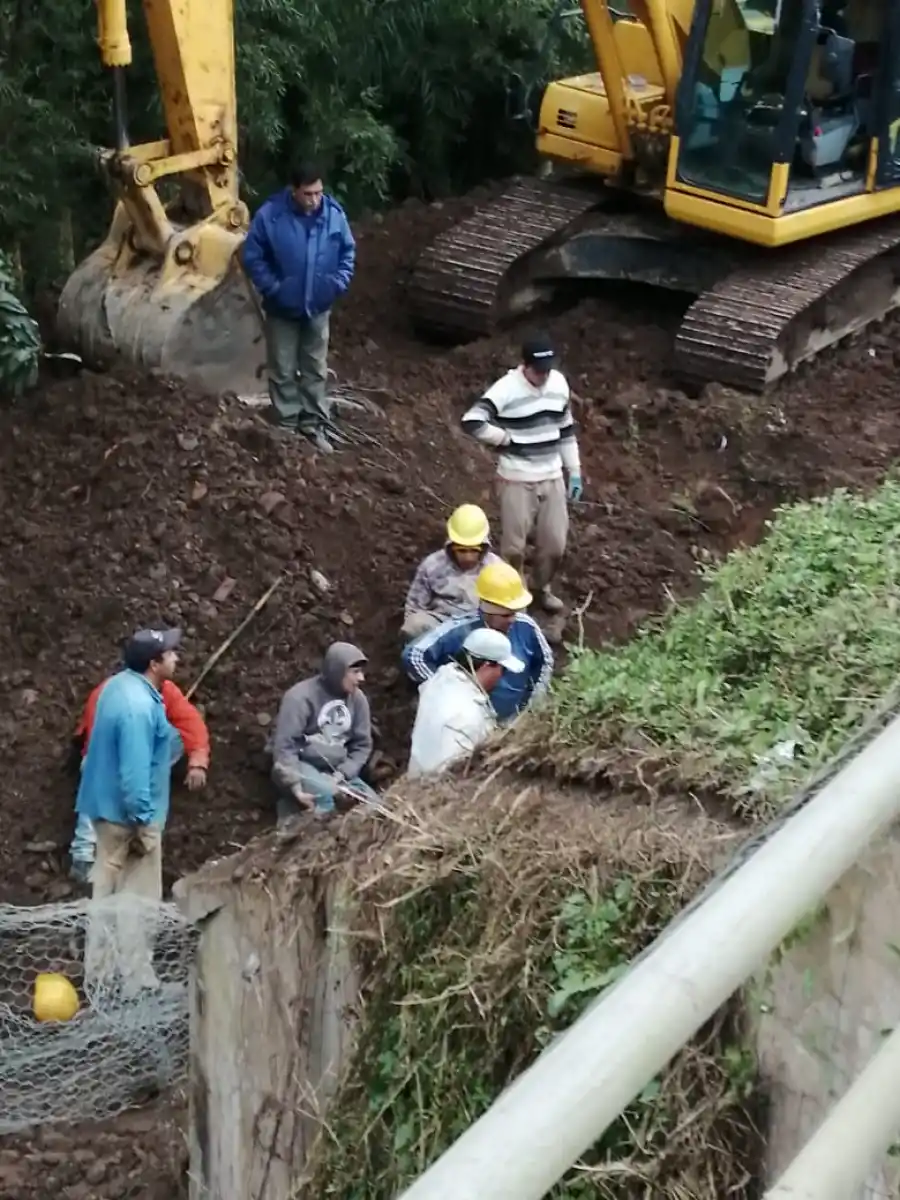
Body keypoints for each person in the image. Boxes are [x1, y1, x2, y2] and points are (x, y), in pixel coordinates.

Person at [76, 627, 182, 993]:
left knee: (104, 894)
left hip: (104, 812)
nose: (176, 658)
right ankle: (136, 980)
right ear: (154, 664)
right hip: (129, 819)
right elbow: (135, 773)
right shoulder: (139, 708)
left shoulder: (116, 687)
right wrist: (143, 824)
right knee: (139, 900)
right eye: (170, 654)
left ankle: (100, 977)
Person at [461, 334, 583, 614]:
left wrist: (574, 471)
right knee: (514, 548)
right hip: (516, 477)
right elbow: (472, 420)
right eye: (538, 371)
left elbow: (565, 430)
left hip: (552, 475)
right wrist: (503, 439)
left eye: (547, 370)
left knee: (554, 544)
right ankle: (514, 595)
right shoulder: (506, 389)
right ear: (524, 366)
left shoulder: (558, 384)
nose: (543, 376)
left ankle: (541, 587)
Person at [242, 161, 356, 452]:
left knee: (315, 368)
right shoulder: (271, 216)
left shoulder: (333, 216)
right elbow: (253, 256)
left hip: (318, 307)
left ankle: (313, 424)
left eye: (318, 192)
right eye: (308, 194)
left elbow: (347, 252)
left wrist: (336, 284)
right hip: (283, 308)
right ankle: (287, 427)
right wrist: (274, 288)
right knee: (282, 369)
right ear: (294, 191)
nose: (315, 199)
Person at [68, 660, 211, 884]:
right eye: (169, 655)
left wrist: (198, 760)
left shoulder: (164, 690)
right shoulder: (110, 695)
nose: (176, 659)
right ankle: (84, 856)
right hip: (103, 761)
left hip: (137, 763)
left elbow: (191, 723)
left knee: (175, 736)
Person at [402, 562, 553, 721]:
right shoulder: (461, 630)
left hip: (511, 723)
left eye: (514, 613)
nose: (512, 620)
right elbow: (414, 656)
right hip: (465, 723)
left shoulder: (525, 627)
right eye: (505, 615)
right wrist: (442, 692)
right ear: (488, 609)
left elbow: (545, 662)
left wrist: (530, 708)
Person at [271, 642, 378, 825]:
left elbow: (362, 745)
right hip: (301, 765)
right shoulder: (299, 698)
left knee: (375, 807)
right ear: (337, 670)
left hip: (337, 771)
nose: (361, 678)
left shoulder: (358, 700)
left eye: (361, 672)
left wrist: (343, 774)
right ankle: (294, 820)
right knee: (328, 800)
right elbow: (285, 747)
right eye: (355, 672)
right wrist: (294, 786)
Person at [407, 628, 524, 778]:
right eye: (502, 669)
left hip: (416, 776)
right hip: (438, 790)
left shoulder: (440, 681)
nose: (501, 676)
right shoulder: (467, 715)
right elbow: (454, 773)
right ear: (487, 666)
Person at [402, 503, 503, 642]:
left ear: (483, 546)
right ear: (452, 545)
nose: (468, 557)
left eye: (474, 550)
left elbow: (509, 610)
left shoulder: (496, 568)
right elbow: (414, 607)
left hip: (480, 628)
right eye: (462, 550)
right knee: (414, 625)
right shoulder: (432, 565)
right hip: (441, 627)